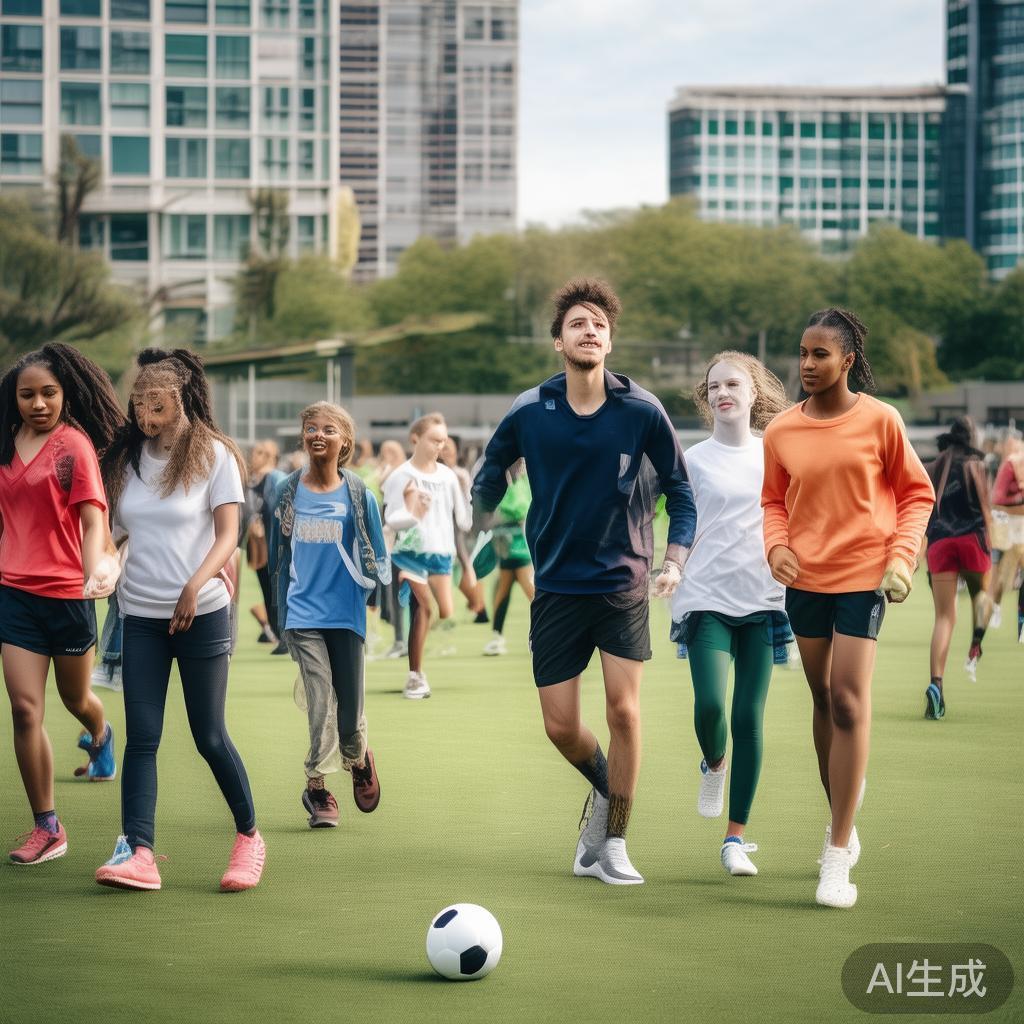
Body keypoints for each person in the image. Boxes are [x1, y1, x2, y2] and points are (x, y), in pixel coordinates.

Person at [472, 278, 696, 886]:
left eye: (598, 322)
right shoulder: (530, 410)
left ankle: (616, 840)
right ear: (558, 342)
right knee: (561, 726)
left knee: (624, 711)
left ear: (610, 340)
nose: (589, 330)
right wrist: (480, 527)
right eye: (577, 323)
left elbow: (682, 493)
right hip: (556, 587)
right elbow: (489, 476)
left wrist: (674, 559)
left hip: (623, 582)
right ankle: (607, 793)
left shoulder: (642, 410)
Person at [762, 308, 934, 908]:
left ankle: (835, 856)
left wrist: (902, 557)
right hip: (805, 579)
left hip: (866, 577)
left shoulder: (882, 421)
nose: (807, 365)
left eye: (820, 355)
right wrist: (777, 545)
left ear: (848, 361)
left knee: (847, 698)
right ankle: (845, 817)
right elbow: (772, 501)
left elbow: (917, 493)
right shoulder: (781, 430)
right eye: (803, 354)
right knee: (820, 699)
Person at [95, 348, 264, 892]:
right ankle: (138, 852)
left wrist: (195, 584)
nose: (147, 415)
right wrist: (104, 567)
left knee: (208, 735)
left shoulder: (214, 454)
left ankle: (248, 837)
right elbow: (116, 535)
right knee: (142, 738)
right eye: (140, 404)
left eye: (158, 404)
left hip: (203, 615)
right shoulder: (127, 459)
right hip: (140, 616)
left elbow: (228, 535)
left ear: (182, 400)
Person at [0, 344, 124, 864]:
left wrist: (96, 566)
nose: (39, 403)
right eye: (27, 395)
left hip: (69, 596)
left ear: (64, 394)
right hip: (14, 595)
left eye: (48, 393)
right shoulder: (4, 445)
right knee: (26, 710)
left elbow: (94, 519)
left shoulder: (73, 446)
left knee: (76, 699)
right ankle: (47, 826)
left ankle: (99, 731)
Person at [670, 352, 792, 877]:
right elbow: (675, 518)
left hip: (764, 601)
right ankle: (713, 763)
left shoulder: (777, 454)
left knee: (749, 717)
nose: (723, 392)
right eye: (714, 385)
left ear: (754, 391)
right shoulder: (693, 460)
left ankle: (735, 839)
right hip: (705, 598)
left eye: (733, 383)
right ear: (707, 396)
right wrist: (671, 567)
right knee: (710, 708)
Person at [269, 403, 389, 827]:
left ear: (344, 442)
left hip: (347, 613)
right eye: (311, 428)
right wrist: (278, 613)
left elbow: (378, 552)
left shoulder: (359, 494)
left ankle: (358, 759)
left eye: (329, 429)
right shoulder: (285, 491)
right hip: (302, 615)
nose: (318, 434)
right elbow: (276, 556)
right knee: (320, 703)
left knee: (349, 710)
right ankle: (317, 789)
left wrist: (377, 590)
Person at [382, 414, 472, 699]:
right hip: (408, 554)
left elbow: (464, 520)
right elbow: (390, 518)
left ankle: (415, 648)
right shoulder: (400, 476)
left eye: (443, 441)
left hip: (441, 555)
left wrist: (470, 497)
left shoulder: (448, 476)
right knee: (424, 607)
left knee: (445, 612)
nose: (440, 446)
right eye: (434, 440)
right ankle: (415, 675)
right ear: (415, 439)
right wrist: (412, 514)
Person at [923, 417, 994, 716]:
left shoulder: (934, 465)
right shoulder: (977, 465)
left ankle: (936, 684)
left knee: (944, 617)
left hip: (940, 543)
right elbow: (987, 511)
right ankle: (977, 640)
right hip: (972, 541)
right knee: (982, 596)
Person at [480, 460, 534, 656]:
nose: (519, 466)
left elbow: (520, 508)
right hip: (504, 545)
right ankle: (497, 637)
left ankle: (544, 634)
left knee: (533, 593)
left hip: (520, 545)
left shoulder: (524, 481)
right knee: (502, 592)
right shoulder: (503, 480)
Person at [441, 436, 488, 624]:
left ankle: (479, 606)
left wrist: (468, 523)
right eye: (441, 447)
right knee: (457, 572)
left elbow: (467, 500)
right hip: (443, 529)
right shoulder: (434, 473)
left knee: (465, 569)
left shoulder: (459, 474)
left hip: (460, 529)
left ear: (455, 451)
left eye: (448, 447)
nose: (444, 450)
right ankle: (478, 607)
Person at [244, 440, 286, 651]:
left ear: (270, 455)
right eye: (254, 452)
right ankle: (277, 635)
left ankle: (285, 637)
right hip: (257, 543)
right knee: (266, 589)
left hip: (273, 542)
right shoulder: (251, 479)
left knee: (278, 589)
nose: (254, 456)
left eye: (260, 452)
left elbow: (283, 509)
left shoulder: (277, 477)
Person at [984, 437, 1024, 639]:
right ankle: (995, 608)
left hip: (1021, 529)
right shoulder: (1003, 466)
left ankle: (1021, 625)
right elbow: (996, 499)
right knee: (999, 578)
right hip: (1003, 526)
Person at [376, 439, 409, 659]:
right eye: (384, 450)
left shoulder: (406, 472)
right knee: (394, 593)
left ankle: (406, 639)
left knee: (407, 592)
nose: (386, 454)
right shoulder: (386, 471)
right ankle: (399, 639)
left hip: (406, 537)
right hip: (389, 537)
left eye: (391, 450)